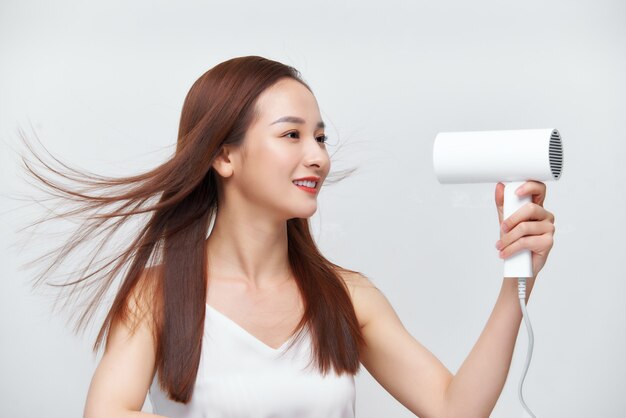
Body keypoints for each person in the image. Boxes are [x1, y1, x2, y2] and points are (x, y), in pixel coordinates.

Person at [20, 56, 555, 418]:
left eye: (320, 136)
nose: (318, 155)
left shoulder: (345, 296)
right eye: (292, 134)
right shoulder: (156, 297)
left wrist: (518, 280)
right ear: (223, 155)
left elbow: (455, 408)